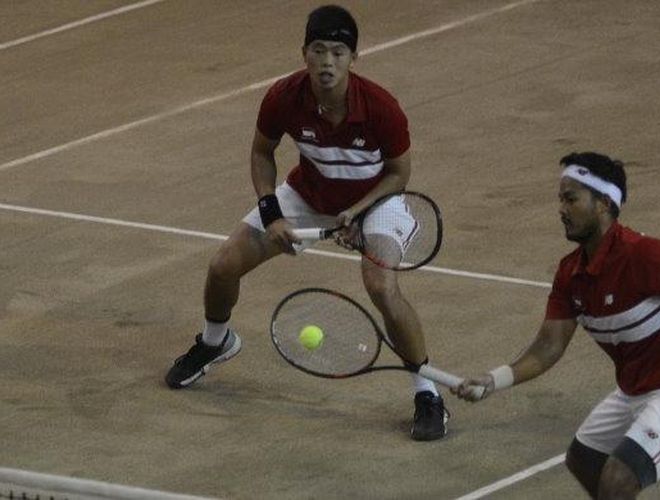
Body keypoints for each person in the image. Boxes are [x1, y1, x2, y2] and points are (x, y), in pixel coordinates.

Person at [165, 4, 448, 441]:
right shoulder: (284, 96)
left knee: (382, 287)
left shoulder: (380, 108)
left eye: (338, 51)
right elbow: (262, 152)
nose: (327, 61)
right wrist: (270, 212)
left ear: (353, 58)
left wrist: (360, 212)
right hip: (308, 194)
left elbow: (398, 174)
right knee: (223, 264)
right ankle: (215, 341)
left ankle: (428, 394)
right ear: (304, 54)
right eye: (319, 50)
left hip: (378, 201)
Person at [453, 152, 660, 498]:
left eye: (571, 199)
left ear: (602, 203)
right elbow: (548, 347)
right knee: (583, 459)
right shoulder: (571, 274)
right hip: (634, 391)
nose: (561, 209)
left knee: (617, 478)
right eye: (561, 199)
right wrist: (494, 379)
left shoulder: (644, 254)